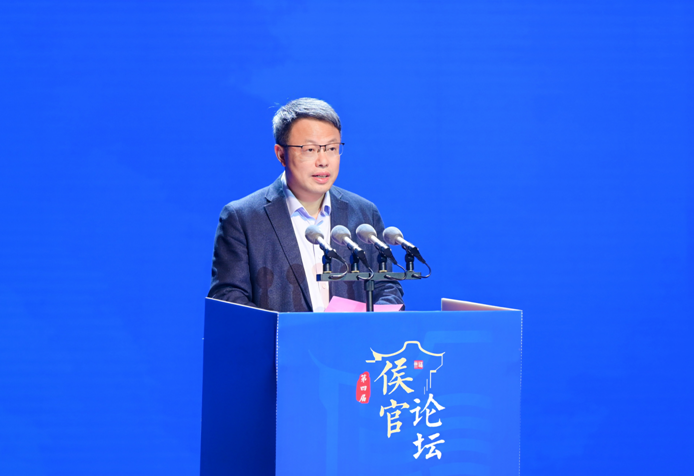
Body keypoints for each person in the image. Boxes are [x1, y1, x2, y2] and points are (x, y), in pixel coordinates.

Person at [208, 98, 404, 312]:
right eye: (310, 149)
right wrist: (286, 329)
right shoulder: (243, 218)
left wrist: (369, 323)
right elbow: (229, 298)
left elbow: (386, 288)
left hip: (350, 334)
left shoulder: (364, 214)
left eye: (332, 148)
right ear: (281, 155)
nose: (323, 161)